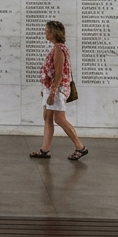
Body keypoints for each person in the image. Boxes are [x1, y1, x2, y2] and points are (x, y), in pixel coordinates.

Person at [30, 20, 87, 160]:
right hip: (51, 89)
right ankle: (45, 150)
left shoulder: (59, 49)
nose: (45, 32)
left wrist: (53, 92)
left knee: (60, 119)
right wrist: (46, 89)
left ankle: (80, 147)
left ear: (54, 33)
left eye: (47, 30)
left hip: (57, 90)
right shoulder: (57, 48)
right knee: (48, 117)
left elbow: (59, 73)